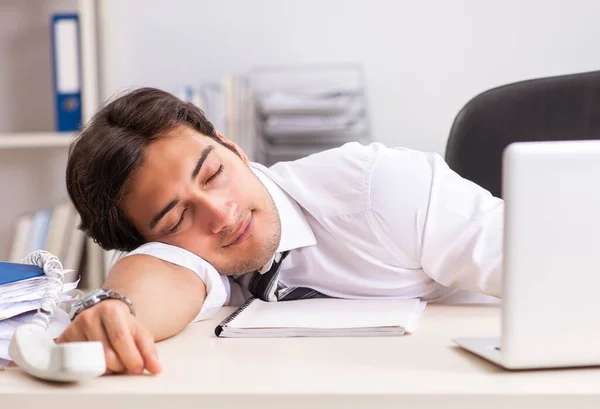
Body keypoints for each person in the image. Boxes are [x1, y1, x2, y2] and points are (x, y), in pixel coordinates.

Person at [57, 87, 504, 375]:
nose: (221, 213)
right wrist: (114, 311)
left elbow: (555, 267)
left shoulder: (380, 188)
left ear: (231, 146)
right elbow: (153, 278)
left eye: (213, 173)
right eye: (177, 219)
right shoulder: (188, 260)